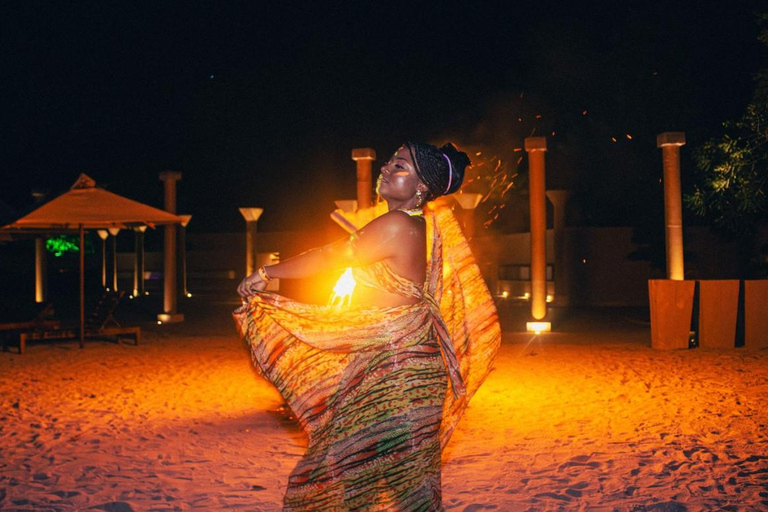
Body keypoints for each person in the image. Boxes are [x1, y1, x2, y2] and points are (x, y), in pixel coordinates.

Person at [234, 141, 500, 511]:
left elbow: (335, 254)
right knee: (370, 474)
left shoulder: (398, 224)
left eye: (401, 166)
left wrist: (267, 273)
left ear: (422, 187)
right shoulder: (413, 224)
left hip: (398, 368)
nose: (387, 168)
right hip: (390, 360)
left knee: (386, 479)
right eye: (390, 161)